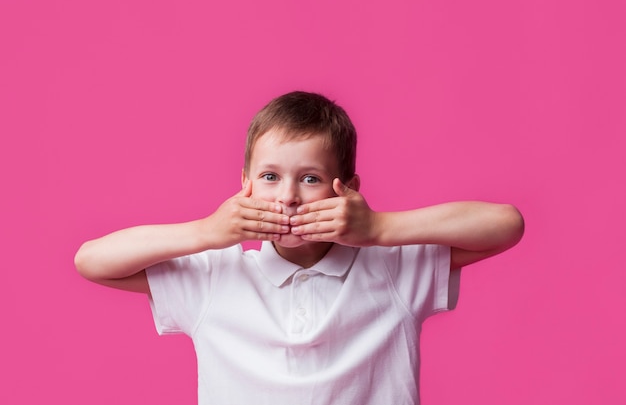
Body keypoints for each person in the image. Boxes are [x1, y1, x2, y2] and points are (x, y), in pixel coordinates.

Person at [75, 91, 524, 404]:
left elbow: (506, 224)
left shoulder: (390, 269)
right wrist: (208, 231)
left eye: (310, 179)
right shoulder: (217, 276)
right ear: (245, 187)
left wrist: (379, 227)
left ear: (346, 189)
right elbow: (92, 261)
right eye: (270, 177)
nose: (288, 197)